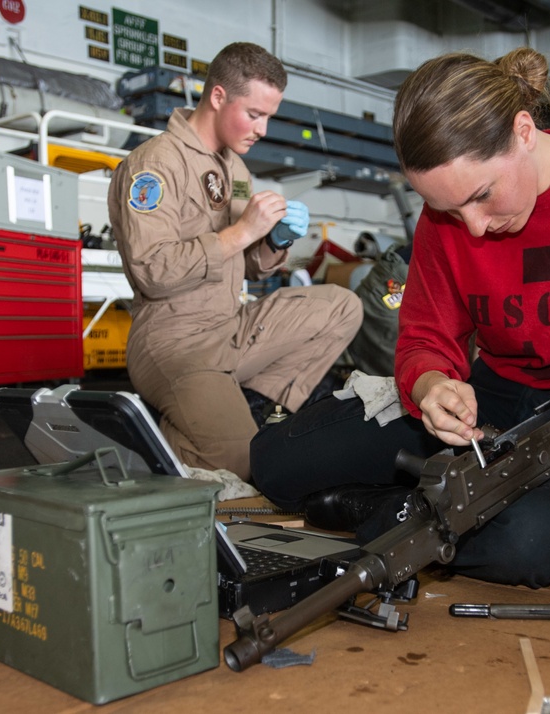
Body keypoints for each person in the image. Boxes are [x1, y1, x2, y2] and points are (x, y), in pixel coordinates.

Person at [250, 47, 550, 588]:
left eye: (482, 195)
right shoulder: (450, 217)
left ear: (525, 132)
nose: (476, 228)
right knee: (278, 461)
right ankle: (413, 514)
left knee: (530, 542)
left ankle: (386, 514)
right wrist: (434, 383)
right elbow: (425, 337)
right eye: (450, 211)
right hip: (487, 407)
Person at [107, 42, 362, 481]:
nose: (262, 129)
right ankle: (176, 439)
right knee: (252, 466)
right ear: (219, 96)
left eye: (269, 116)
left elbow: (247, 266)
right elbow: (153, 272)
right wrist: (243, 231)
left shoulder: (235, 169)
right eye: (255, 114)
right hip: (173, 342)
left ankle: (252, 410)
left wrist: (274, 241)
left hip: (230, 326)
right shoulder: (154, 164)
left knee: (343, 306)